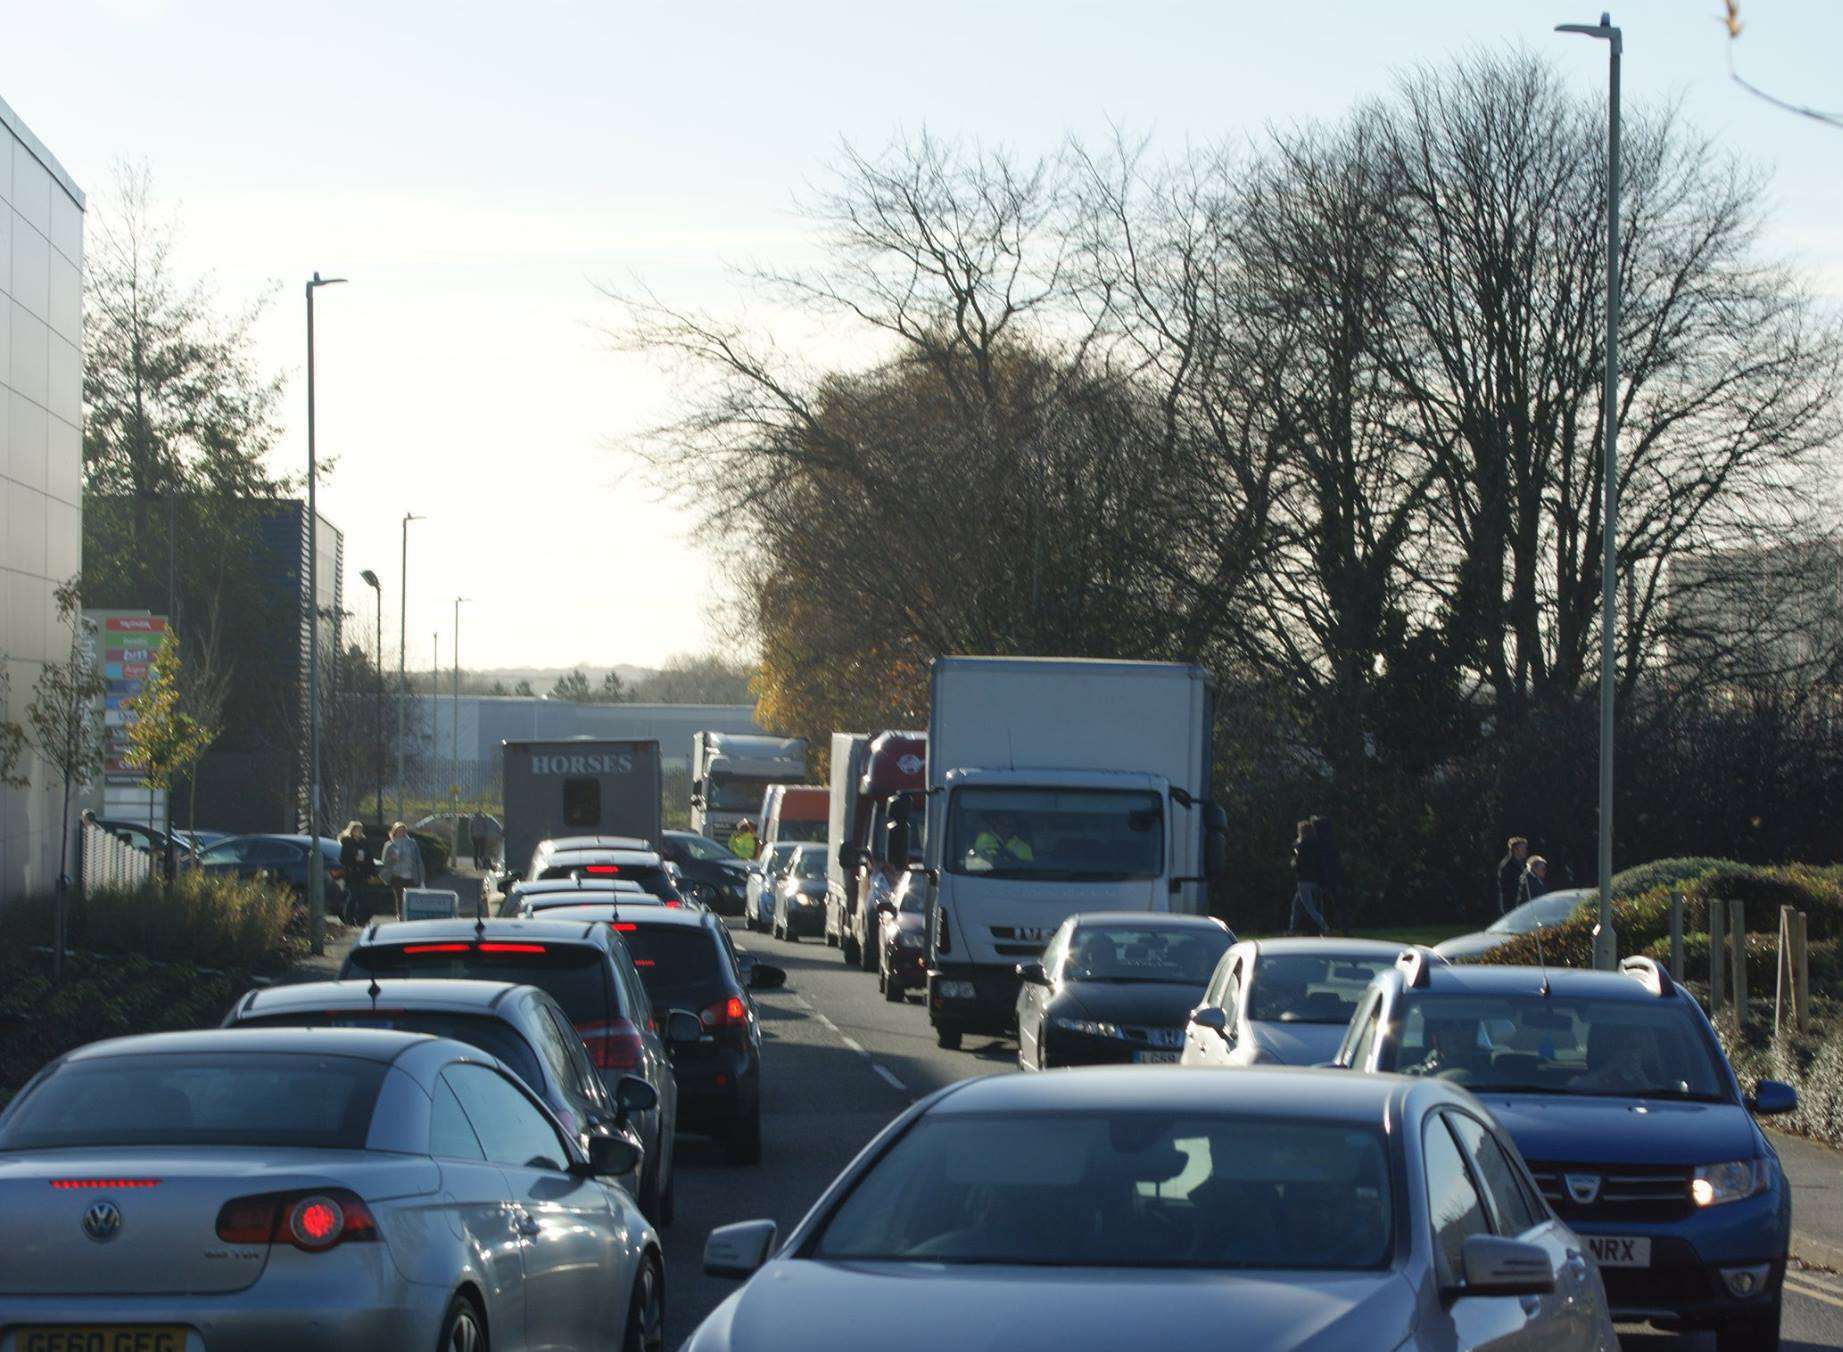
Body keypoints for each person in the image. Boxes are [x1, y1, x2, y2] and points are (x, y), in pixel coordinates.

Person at [1288, 819, 1328, 936]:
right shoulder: (1316, 844)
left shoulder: (1301, 845)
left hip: (1304, 880)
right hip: (1315, 880)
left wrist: (1294, 858)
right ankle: (1292, 929)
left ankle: (1324, 926)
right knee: (1296, 905)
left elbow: (1297, 861)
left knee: (1309, 907)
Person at [380, 821, 425, 920]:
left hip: (410, 874)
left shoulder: (412, 843)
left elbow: (418, 860)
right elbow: (384, 862)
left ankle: (410, 915)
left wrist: (421, 876)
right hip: (396, 875)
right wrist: (392, 859)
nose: (401, 833)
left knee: (410, 896)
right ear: (394, 832)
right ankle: (400, 915)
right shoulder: (389, 845)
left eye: (403, 831)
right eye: (399, 831)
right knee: (399, 897)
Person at [337, 820, 373, 925]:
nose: (358, 832)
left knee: (363, 897)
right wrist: (354, 859)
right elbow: (343, 859)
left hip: (363, 873)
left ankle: (361, 919)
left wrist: (371, 872)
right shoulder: (347, 842)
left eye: (360, 830)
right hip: (352, 873)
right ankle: (348, 918)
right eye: (356, 830)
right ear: (352, 831)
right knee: (353, 896)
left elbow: (369, 857)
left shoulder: (364, 842)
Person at [971, 813, 1035, 869]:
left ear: (1014, 827)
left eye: (1009, 825)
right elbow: (979, 862)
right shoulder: (984, 838)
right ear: (996, 824)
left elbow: (1028, 869)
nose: (1005, 828)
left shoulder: (1024, 848)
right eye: (1002, 823)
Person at [1496, 836, 1529, 914]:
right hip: (1511, 906)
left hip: (1521, 904)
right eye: (1523, 848)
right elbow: (1507, 888)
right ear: (1515, 850)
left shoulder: (1522, 865)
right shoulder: (1507, 866)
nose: (1525, 851)